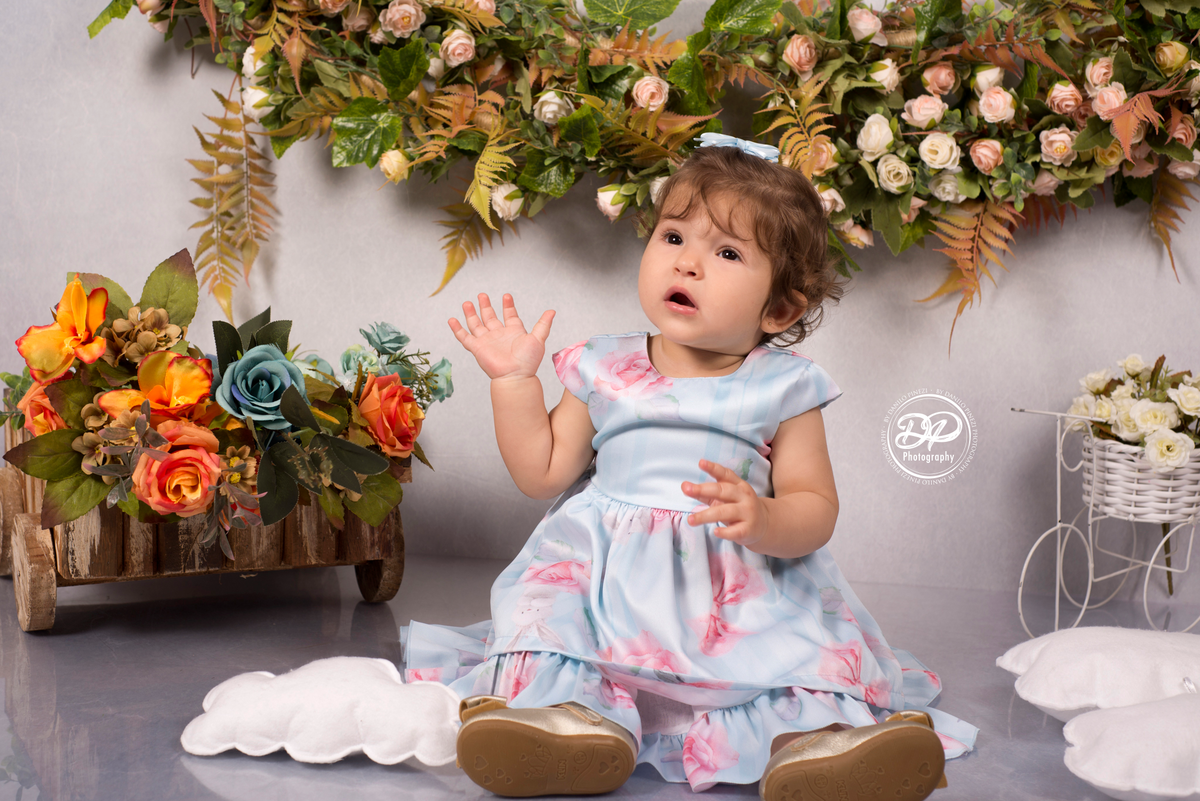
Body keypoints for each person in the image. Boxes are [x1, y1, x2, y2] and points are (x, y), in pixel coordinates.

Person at [402, 134, 978, 799]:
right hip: (604, 576)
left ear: (780, 308)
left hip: (735, 583)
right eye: (674, 238)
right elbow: (543, 471)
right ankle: (576, 723)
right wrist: (513, 384)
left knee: (796, 654)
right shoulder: (604, 365)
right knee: (548, 619)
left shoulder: (784, 387)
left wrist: (763, 516)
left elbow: (815, 505)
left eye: (727, 252)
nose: (689, 264)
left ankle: (812, 744)